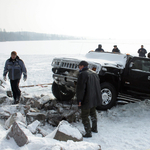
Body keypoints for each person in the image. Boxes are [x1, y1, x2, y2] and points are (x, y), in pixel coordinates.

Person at [76, 61, 102, 138]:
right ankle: (94, 128)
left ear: (82, 66)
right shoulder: (94, 73)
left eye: (79, 66)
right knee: (93, 113)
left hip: (86, 99)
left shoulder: (82, 74)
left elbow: (81, 89)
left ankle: (88, 133)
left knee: (84, 116)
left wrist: (79, 100)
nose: (78, 68)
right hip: (94, 98)